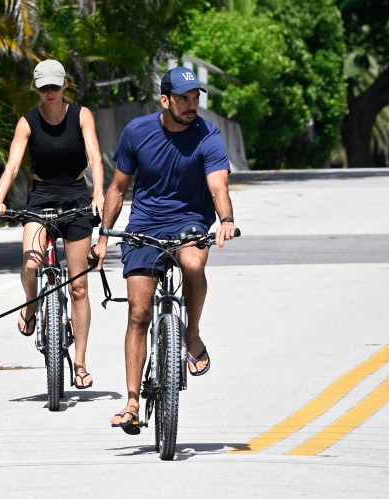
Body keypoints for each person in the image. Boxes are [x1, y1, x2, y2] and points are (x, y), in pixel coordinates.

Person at [93, 66, 237, 432]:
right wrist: (105, 236)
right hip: (144, 225)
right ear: (165, 99)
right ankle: (130, 402)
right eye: (184, 99)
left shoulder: (209, 135)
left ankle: (192, 334)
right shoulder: (137, 133)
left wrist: (225, 220)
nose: (192, 106)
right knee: (139, 313)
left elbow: (218, 186)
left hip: (190, 219)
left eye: (196, 98)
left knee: (191, 263)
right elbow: (117, 188)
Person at [0, 59, 104, 389]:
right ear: (36, 89)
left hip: (76, 196)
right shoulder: (28, 122)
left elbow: (95, 158)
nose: (50, 92)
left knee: (79, 286)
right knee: (30, 264)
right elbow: (12, 167)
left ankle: (80, 363)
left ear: (65, 84)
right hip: (41, 197)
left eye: (55, 86)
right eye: (44, 88)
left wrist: (97, 194)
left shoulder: (81, 115)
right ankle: (30, 308)